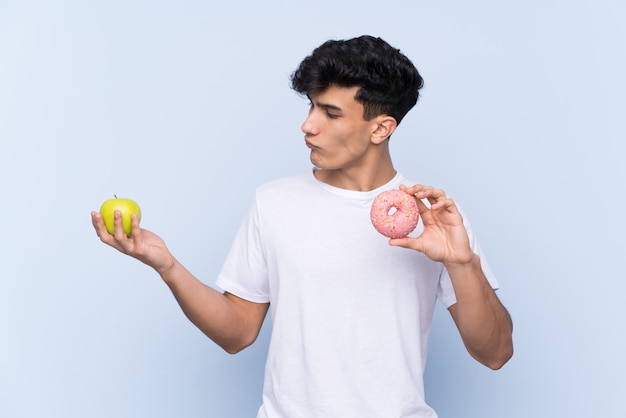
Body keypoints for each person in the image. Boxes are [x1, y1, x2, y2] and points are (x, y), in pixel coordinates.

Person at [91, 35, 513, 417]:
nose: (308, 125)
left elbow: (495, 353)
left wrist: (462, 263)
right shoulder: (273, 202)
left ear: (381, 128)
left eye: (330, 113)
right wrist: (166, 264)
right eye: (311, 106)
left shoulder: (433, 218)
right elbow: (237, 333)